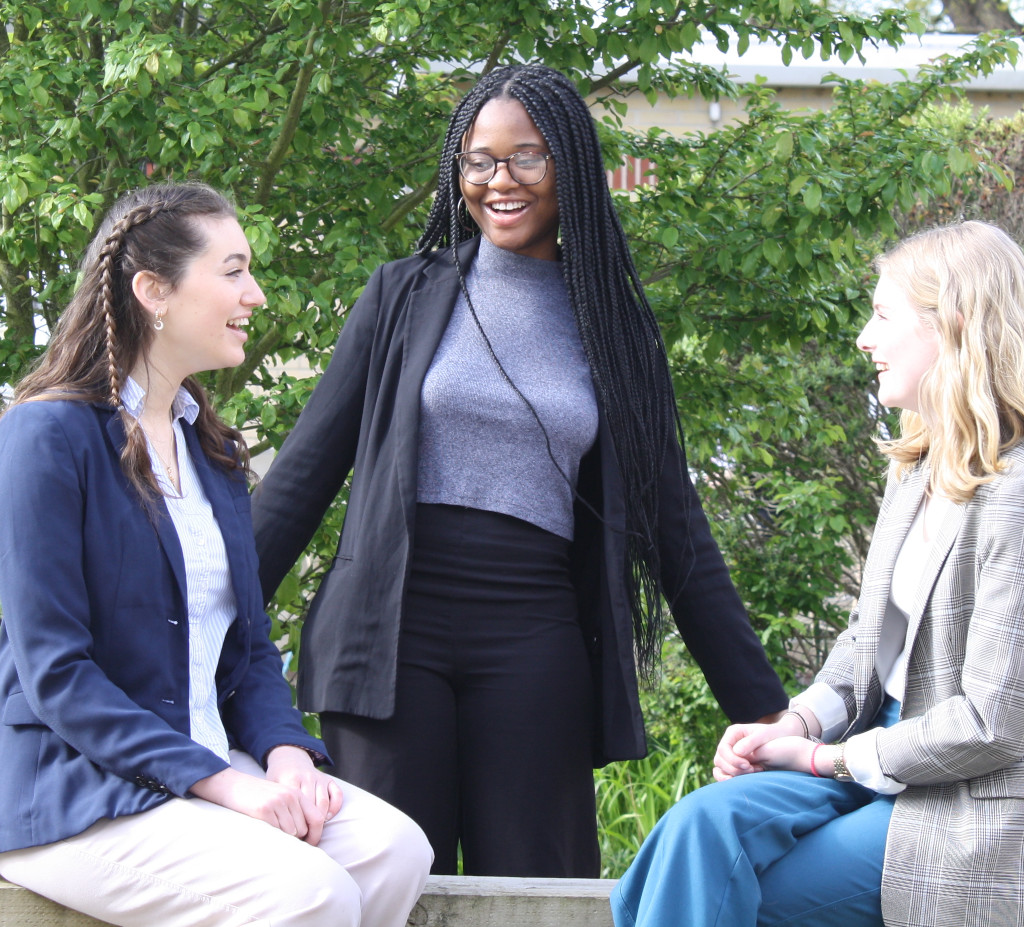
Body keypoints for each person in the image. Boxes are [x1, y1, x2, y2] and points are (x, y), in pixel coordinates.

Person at [251, 64, 788, 879]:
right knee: (388, 885)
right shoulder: (401, 295)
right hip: (390, 638)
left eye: (526, 157)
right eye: (478, 160)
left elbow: (678, 532)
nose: (499, 181)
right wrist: (176, 625)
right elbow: (298, 480)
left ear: (570, 165)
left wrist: (770, 712)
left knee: (537, 887)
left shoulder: (614, 331)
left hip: (534, 639)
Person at [0, 182, 432, 927]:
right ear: (153, 291)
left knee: (395, 849)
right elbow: (57, 675)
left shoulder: (214, 450)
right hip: (71, 786)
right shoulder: (46, 438)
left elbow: (249, 650)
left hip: (201, 765)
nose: (256, 294)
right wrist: (226, 784)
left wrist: (286, 754)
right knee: (309, 892)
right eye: (233, 271)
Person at [611, 220, 1024, 927]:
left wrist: (824, 758)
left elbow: (992, 724)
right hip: (873, 750)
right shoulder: (917, 467)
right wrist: (797, 718)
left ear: (952, 324)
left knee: (731, 896)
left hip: (963, 797)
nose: (864, 337)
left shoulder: (1014, 496)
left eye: (883, 314)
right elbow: (868, 637)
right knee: (691, 833)